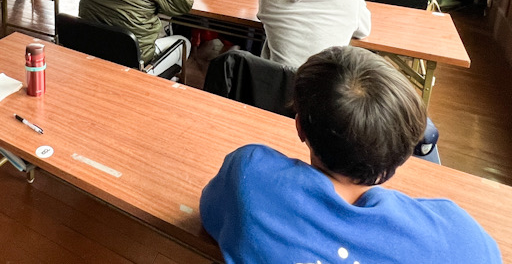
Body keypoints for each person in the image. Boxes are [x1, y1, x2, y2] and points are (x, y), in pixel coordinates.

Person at [200, 46, 501, 263]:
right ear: (405, 151)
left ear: (300, 127)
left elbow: (211, 214)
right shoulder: (460, 237)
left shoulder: (247, 176)